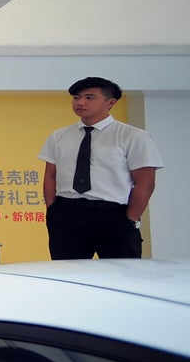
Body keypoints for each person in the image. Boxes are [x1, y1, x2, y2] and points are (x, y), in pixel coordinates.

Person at [38, 77, 163, 259]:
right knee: (68, 275)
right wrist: (53, 210)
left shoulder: (133, 136)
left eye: (89, 97)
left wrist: (130, 219)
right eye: (76, 97)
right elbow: (50, 175)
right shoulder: (59, 136)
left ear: (110, 102)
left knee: (121, 274)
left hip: (113, 213)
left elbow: (145, 183)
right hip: (67, 212)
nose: (80, 102)